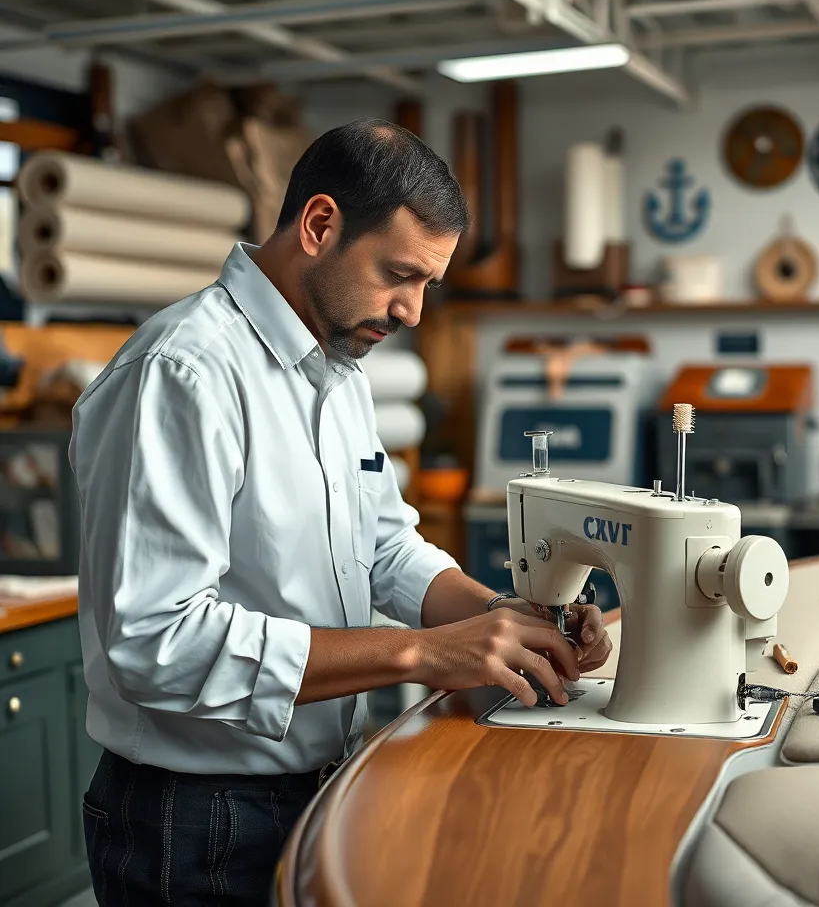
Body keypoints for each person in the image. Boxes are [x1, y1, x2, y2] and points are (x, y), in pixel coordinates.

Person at [70, 119, 611, 906]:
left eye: (429, 282)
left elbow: (387, 550)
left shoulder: (339, 374)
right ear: (320, 225)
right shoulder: (183, 373)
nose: (415, 311)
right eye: (401, 274)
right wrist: (420, 653)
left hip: (319, 788)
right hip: (194, 822)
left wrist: (508, 619)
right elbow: (155, 640)